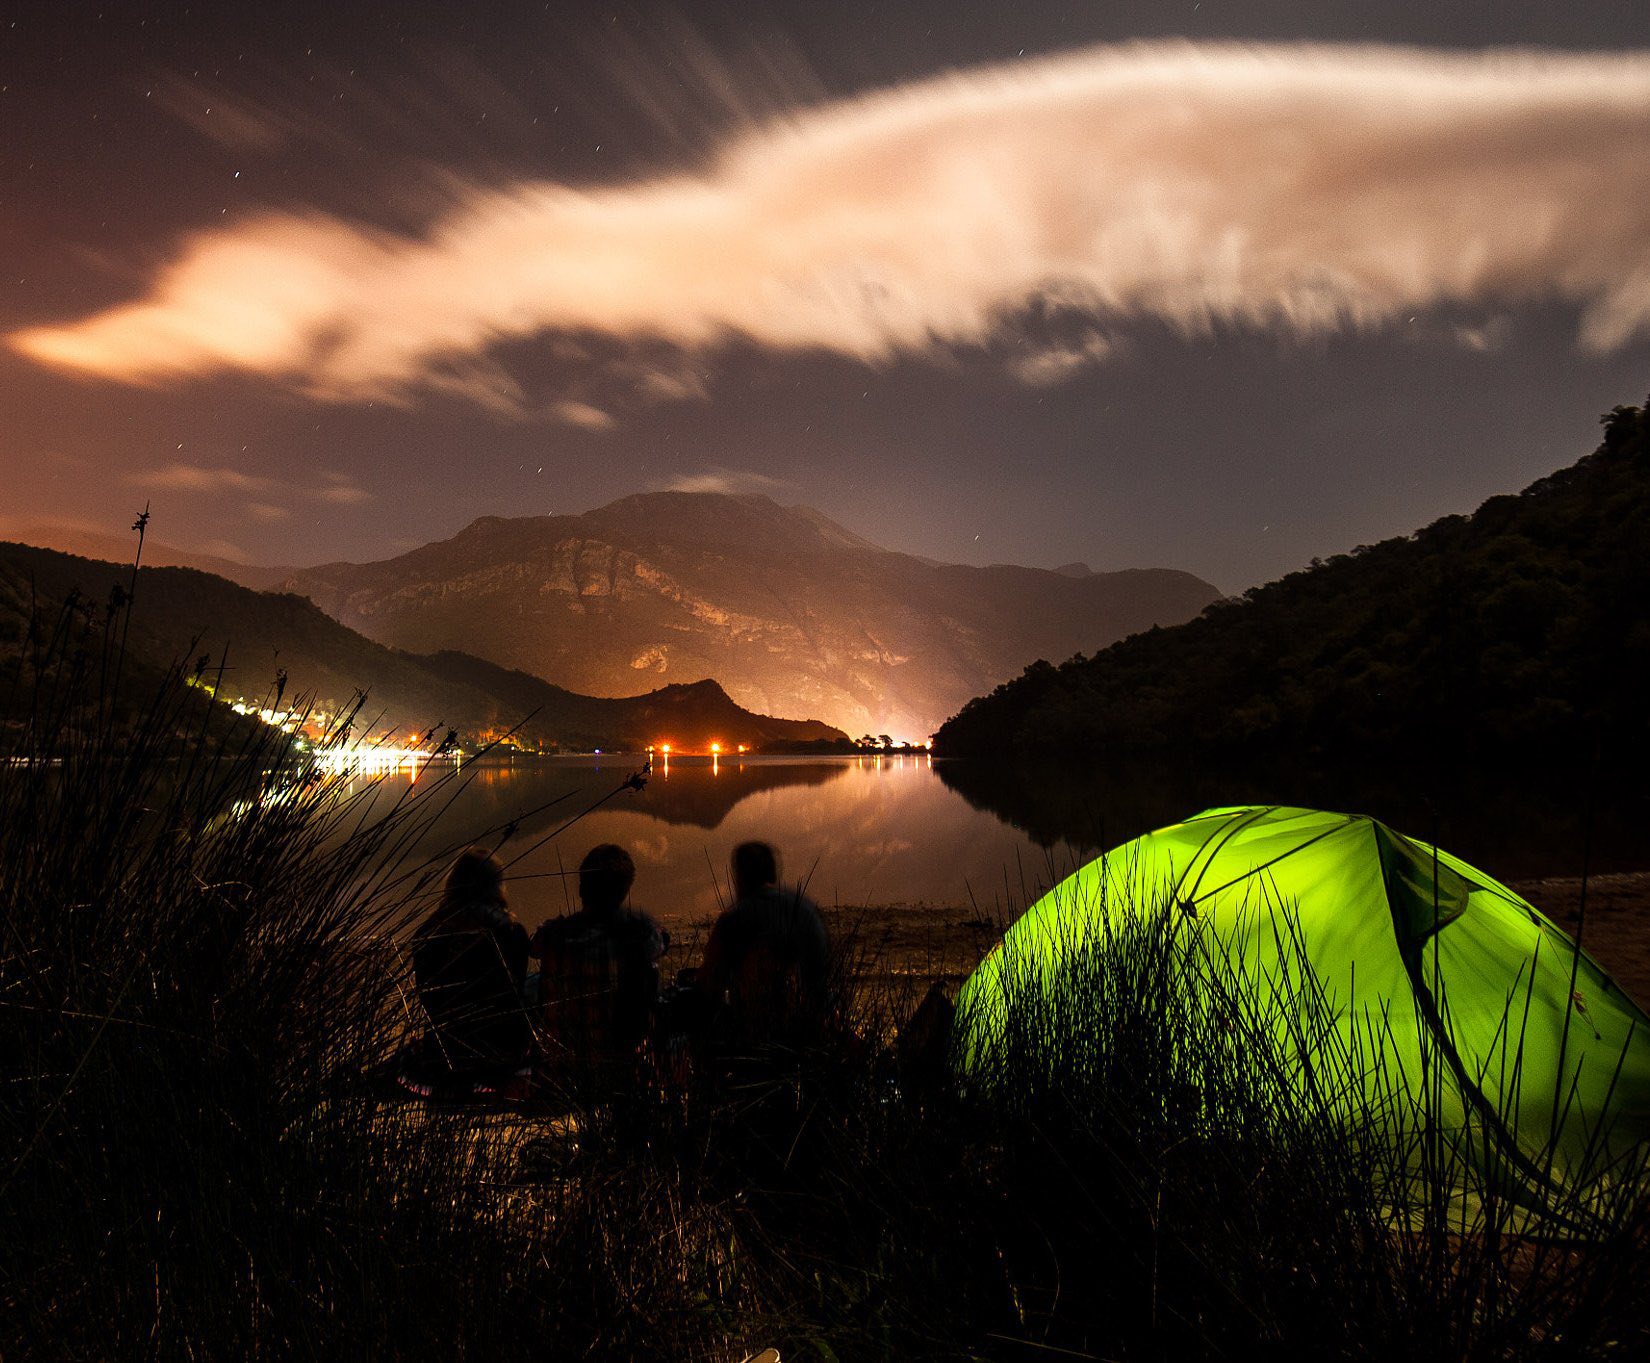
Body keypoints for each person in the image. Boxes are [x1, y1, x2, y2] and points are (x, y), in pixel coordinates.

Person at [530, 843, 667, 1097]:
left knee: (533, 982)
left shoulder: (551, 936)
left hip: (561, 1076)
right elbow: (660, 942)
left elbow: (534, 946)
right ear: (624, 892)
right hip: (623, 1076)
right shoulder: (640, 933)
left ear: (581, 889)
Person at [406, 847, 534, 1097]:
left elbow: (428, 998)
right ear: (496, 887)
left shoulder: (426, 934)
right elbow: (513, 993)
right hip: (501, 1051)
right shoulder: (511, 934)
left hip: (444, 1050)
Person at [698, 841, 830, 1055]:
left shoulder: (734, 918)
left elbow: (709, 982)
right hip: (811, 1038)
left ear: (739, 877)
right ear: (773, 873)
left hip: (755, 1041)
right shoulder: (807, 911)